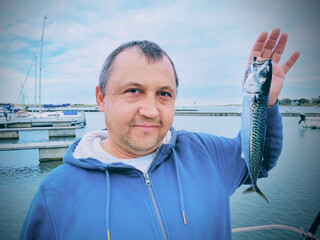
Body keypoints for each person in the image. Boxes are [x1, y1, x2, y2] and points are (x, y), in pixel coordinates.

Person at [19, 28, 299, 240]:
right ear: (101, 98)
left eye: (164, 94)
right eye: (133, 91)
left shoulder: (206, 153)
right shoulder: (55, 193)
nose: (151, 110)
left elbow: (259, 162)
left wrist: (265, 102)